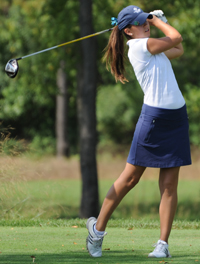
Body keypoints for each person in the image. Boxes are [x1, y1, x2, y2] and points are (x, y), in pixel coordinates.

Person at [86, 5, 191, 258]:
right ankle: (97, 230)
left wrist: (158, 22)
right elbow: (176, 37)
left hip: (176, 119)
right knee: (130, 179)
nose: (146, 23)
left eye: (147, 20)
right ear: (128, 31)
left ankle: (162, 245)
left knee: (168, 185)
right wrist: (159, 22)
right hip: (154, 120)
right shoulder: (139, 47)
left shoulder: (152, 47)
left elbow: (178, 49)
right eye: (141, 22)